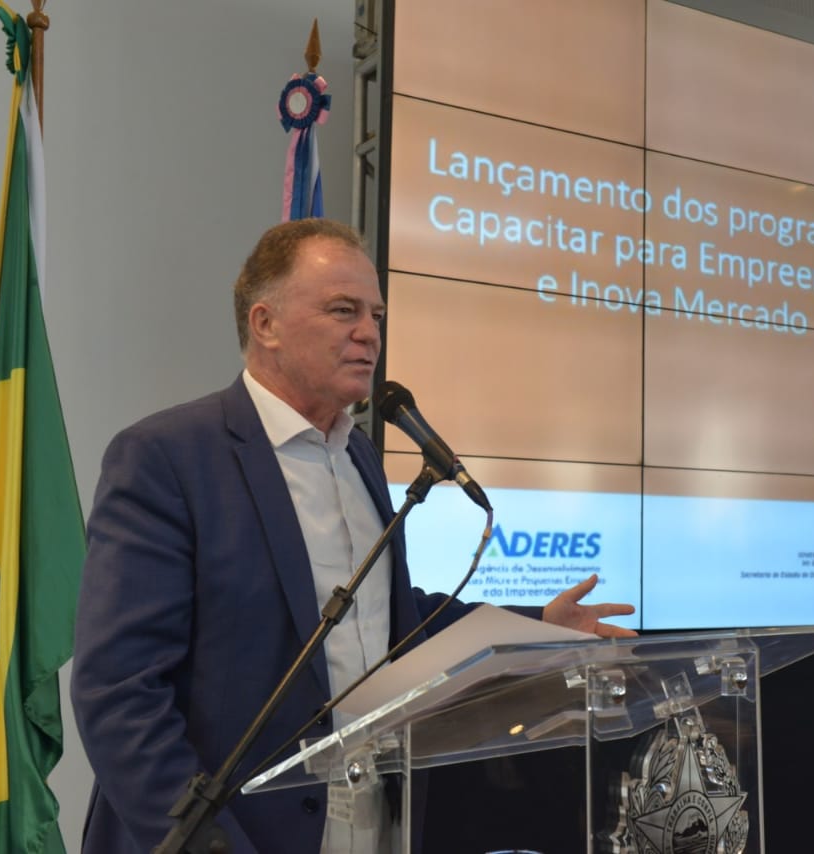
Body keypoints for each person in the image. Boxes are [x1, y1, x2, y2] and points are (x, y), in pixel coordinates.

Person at [70, 218, 636, 854]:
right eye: (344, 310)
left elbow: (385, 618)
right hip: (239, 836)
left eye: (376, 314)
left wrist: (536, 626)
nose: (369, 332)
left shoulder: (359, 455)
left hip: (371, 823)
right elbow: (119, 693)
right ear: (265, 324)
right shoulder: (167, 457)